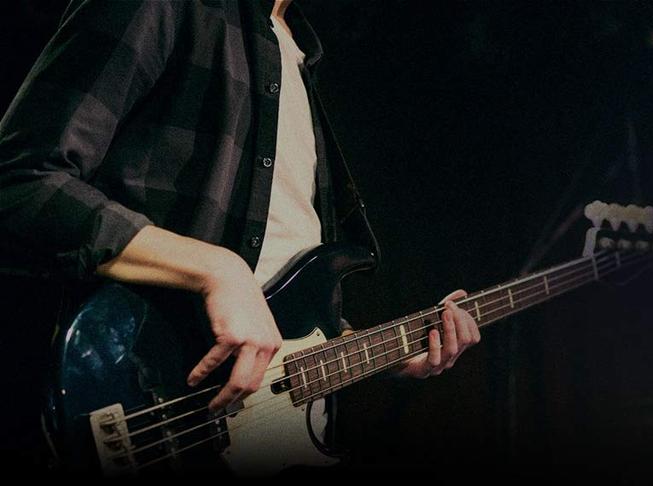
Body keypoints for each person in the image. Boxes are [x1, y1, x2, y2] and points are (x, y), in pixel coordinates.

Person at [0, 0, 479, 462]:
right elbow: (19, 182)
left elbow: (277, 296)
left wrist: (386, 352)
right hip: (139, 394)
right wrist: (217, 270)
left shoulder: (298, 53)